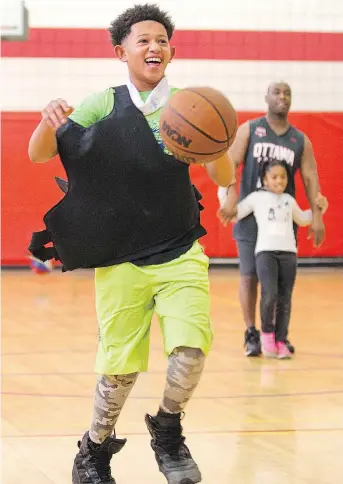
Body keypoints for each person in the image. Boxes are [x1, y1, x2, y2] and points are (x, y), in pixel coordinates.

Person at [27, 4, 234, 484]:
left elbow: (223, 172)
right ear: (121, 52)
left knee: (190, 351)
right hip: (120, 256)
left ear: (172, 51)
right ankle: (94, 450)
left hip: (180, 247)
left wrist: (216, 147)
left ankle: (167, 430)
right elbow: (39, 153)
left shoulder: (191, 103)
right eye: (142, 40)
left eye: (161, 40)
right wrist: (46, 121)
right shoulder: (103, 102)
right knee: (118, 372)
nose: (153, 47)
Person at [217, 81, 327, 357]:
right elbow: (230, 164)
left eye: (287, 93)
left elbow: (311, 177)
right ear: (266, 97)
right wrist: (231, 199)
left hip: (280, 220)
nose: (282, 97)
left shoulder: (299, 140)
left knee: (278, 284)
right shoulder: (251, 129)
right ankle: (251, 333)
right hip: (251, 214)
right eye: (276, 92)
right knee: (249, 276)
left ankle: (278, 335)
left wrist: (317, 217)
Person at [221, 159, 327, 359]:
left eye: (283, 177)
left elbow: (304, 219)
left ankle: (281, 340)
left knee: (285, 299)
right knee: (269, 295)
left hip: (289, 254)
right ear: (265, 180)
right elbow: (235, 214)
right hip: (266, 253)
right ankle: (267, 336)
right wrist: (223, 194)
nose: (279, 181)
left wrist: (320, 208)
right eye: (274, 177)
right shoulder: (256, 199)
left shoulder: (288, 200)